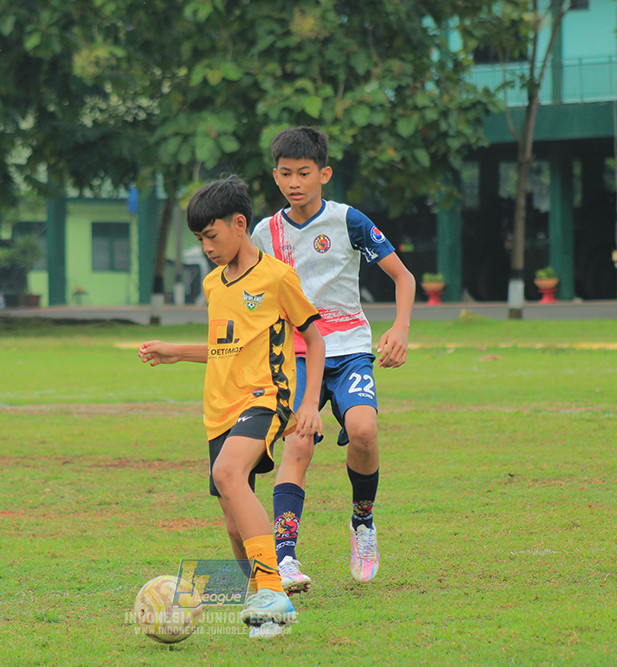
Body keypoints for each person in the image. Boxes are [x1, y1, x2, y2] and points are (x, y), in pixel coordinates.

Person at [138, 176, 325, 637]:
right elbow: (225, 348)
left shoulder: (277, 278)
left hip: (266, 398)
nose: (206, 247)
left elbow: (315, 339)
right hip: (218, 409)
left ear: (239, 224)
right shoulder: (212, 284)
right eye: (200, 239)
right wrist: (176, 351)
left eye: (211, 236)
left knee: (227, 473)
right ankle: (265, 607)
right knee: (233, 523)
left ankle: (273, 592)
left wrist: (309, 404)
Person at [250, 126, 415, 592]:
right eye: (285, 174)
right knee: (298, 443)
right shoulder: (265, 234)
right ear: (276, 176)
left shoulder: (348, 221)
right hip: (297, 354)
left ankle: (362, 522)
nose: (294, 182)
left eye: (304, 173)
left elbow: (403, 278)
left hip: (349, 349)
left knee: (363, 431)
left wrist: (400, 328)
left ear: (323, 174)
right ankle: (285, 558)